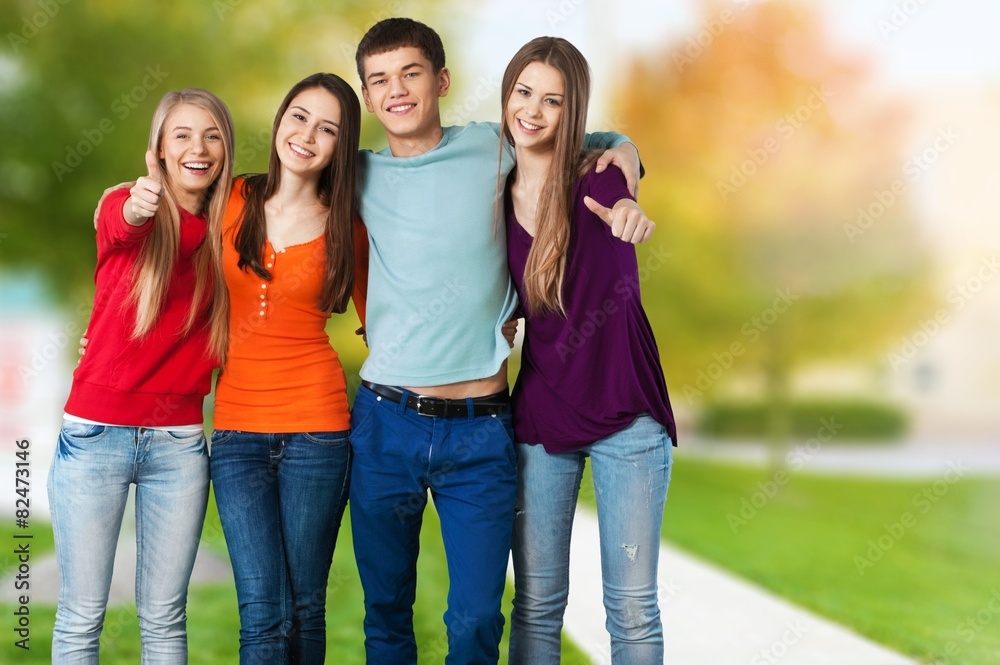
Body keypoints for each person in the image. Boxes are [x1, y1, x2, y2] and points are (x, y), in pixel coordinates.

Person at [347, 17, 643, 664]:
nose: (396, 90)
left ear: (441, 80)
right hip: (383, 422)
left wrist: (624, 149)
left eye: (411, 73)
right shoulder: (356, 175)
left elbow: (578, 136)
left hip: (480, 431)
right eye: (379, 80)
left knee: (478, 617)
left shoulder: (493, 147)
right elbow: (269, 194)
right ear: (367, 96)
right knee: (386, 610)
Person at [500, 37, 677, 664]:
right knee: (537, 606)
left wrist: (629, 197)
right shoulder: (493, 194)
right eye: (524, 92)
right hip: (542, 417)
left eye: (553, 100)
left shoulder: (603, 176)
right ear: (507, 92)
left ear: (572, 110)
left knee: (631, 611)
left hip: (628, 415)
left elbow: (623, 169)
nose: (533, 111)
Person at [49, 88, 234, 664]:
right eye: (181, 135)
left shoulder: (230, 232)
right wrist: (140, 204)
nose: (197, 148)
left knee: (164, 619)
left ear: (226, 148)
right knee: (81, 616)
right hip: (95, 435)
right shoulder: (125, 204)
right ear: (157, 147)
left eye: (211, 135)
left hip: (178, 445)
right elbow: (124, 224)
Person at [207, 72, 362, 664]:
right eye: (299, 116)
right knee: (262, 613)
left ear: (339, 148)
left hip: (318, 430)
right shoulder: (233, 196)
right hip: (238, 433)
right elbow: (164, 217)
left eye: (327, 128)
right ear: (279, 121)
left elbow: (390, 315)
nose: (307, 135)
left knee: (304, 608)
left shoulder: (349, 225)